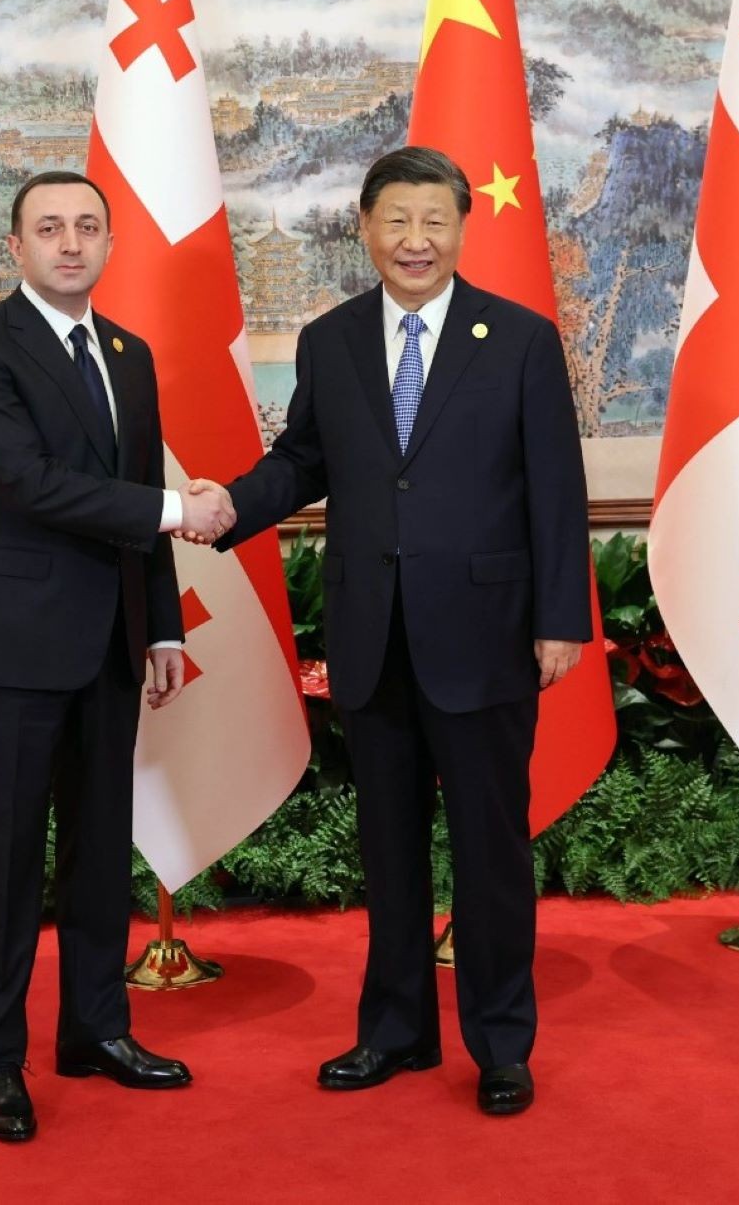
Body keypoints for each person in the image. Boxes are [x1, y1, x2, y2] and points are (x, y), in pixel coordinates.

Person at [186, 146, 590, 1117]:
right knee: (389, 847)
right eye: (395, 220)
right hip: (374, 636)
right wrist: (226, 506)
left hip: (487, 635)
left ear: (459, 228)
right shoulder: (329, 342)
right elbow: (302, 461)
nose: (415, 239)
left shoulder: (521, 341)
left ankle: (499, 1043)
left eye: (433, 221)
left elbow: (554, 490)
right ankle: (394, 1030)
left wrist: (559, 619)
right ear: (364, 228)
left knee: (491, 851)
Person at [0, 170, 236, 1143]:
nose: (70, 243)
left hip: (109, 645)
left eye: (87, 228)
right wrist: (176, 512)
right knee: (7, 863)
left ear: (108, 245)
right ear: (15, 247)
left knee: (101, 855)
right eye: (49, 228)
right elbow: (27, 484)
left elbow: (134, 489)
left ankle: (96, 1031)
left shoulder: (128, 354)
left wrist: (158, 623)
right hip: (9, 653)